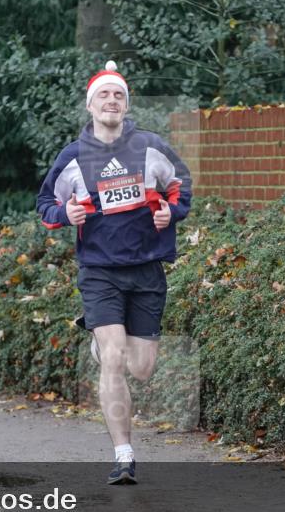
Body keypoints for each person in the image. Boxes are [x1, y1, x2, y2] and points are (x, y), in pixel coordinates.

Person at [36, 61, 192, 484]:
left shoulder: (150, 147)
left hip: (146, 269)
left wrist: (169, 212)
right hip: (99, 271)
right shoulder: (73, 157)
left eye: (118, 95)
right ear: (90, 105)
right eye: (104, 95)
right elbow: (46, 205)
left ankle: (104, 347)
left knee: (141, 368)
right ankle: (124, 455)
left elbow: (181, 188)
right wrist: (64, 214)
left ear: (126, 105)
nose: (111, 101)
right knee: (116, 358)